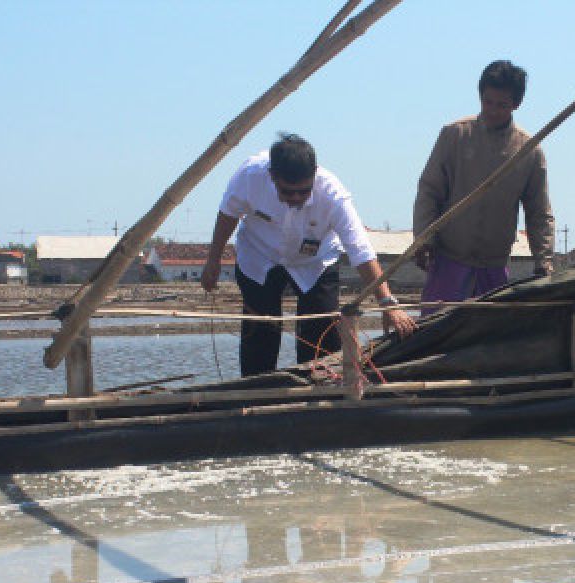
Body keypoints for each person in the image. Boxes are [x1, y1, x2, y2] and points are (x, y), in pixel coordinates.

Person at [202, 134, 415, 376]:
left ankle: (317, 392)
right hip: (259, 255)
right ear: (272, 176)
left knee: (322, 331)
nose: (295, 198)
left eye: (303, 192)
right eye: (287, 192)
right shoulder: (249, 176)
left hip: (316, 261)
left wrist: (388, 303)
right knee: (261, 331)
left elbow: (360, 249)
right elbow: (228, 214)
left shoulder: (333, 193)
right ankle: (257, 395)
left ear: (314, 174)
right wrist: (213, 259)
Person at [413, 60, 555, 312]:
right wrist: (424, 238)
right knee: (432, 334)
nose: (493, 110)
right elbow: (429, 190)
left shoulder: (529, 151)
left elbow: (539, 212)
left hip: (493, 266)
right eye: (488, 102)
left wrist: (543, 261)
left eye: (501, 105)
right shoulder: (454, 135)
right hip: (448, 261)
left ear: (516, 104)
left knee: (486, 337)